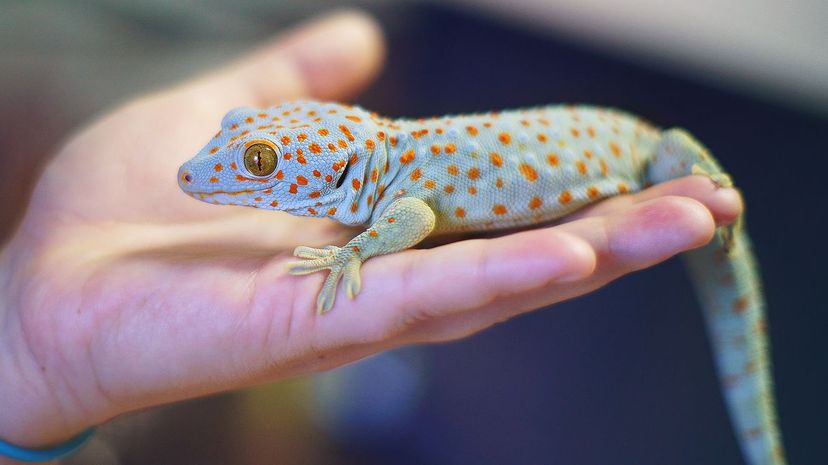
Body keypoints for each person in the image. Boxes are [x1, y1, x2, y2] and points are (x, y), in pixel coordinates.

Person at [0, 10, 741, 463]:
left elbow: (416, 219)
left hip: (648, 151)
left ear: (339, 157)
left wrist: (356, 249)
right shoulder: (374, 166)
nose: (208, 172)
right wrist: (34, 362)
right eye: (245, 148)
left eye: (258, 162)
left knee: (705, 212)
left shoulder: (395, 181)